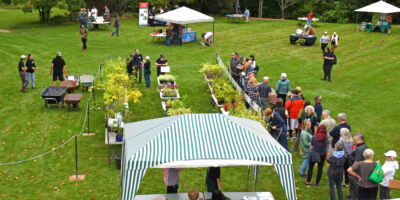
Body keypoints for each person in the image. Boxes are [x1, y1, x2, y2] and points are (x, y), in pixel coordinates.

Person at [348, 133, 368, 200]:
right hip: (362, 168)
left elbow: (357, 162)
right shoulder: (365, 146)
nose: (353, 141)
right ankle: (351, 195)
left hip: (356, 170)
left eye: (354, 140)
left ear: (359, 140)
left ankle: (355, 197)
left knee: (355, 185)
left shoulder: (359, 149)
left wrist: (351, 170)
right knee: (353, 185)